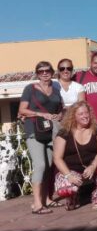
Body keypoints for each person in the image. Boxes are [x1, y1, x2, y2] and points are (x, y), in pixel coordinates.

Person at [18, 61, 64, 214]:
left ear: (52, 72)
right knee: (40, 165)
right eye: (41, 71)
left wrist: (59, 115)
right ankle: (37, 204)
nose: (44, 73)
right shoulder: (30, 89)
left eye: (47, 70)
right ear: (37, 73)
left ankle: (45, 200)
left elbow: (61, 109)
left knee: (49, 166)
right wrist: (40, 114)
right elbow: (22, 110)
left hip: (50, 131)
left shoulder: (56, 89)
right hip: (34, 130)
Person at [53, 101, 97, 210]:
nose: (85, 116)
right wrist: (68, 176)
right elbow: (57, 158)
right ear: (73, 116)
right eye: (81, 114)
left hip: (92, 167)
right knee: (65, 190)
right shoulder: (64, 132)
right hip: (71, 170)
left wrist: (93, 166)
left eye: (86, 113)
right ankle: (73, 197)